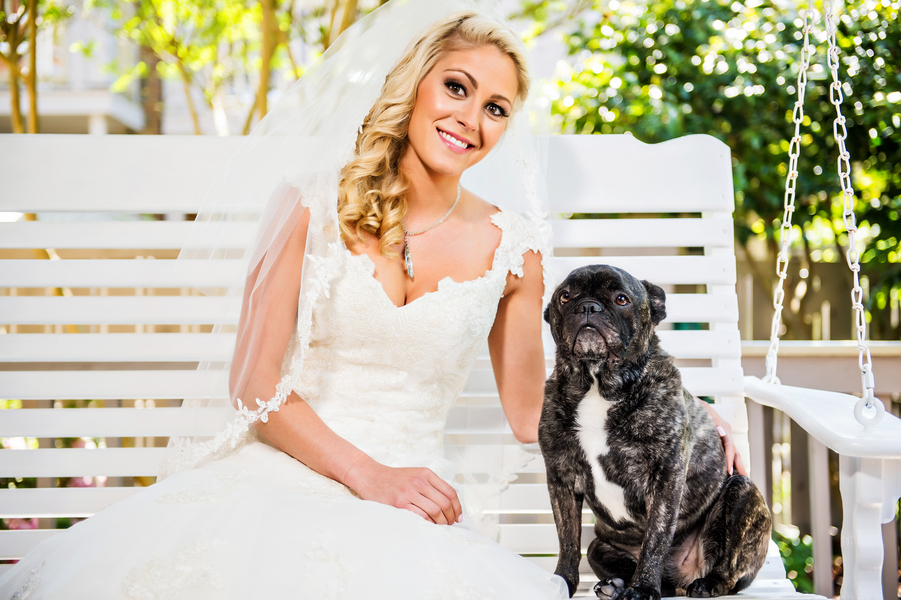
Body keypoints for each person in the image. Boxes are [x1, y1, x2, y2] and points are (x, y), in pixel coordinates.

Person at [0, 2, 744, 598]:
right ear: (415, 82)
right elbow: (254, 385)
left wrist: (681, 413)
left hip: (415, 501)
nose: (470, 119)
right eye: (456, 87)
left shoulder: (512, 247)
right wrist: (369, 478)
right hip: (283, 476)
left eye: (496, 108)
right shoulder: (308, 202)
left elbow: (531, 414)